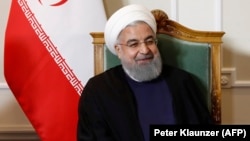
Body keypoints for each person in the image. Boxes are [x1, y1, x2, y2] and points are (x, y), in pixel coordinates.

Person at [77, 4, 213, 141]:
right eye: (133, 44)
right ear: (118, 50)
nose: (145, 50)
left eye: (149, 41)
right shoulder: (98, 90)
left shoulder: (182, 82)